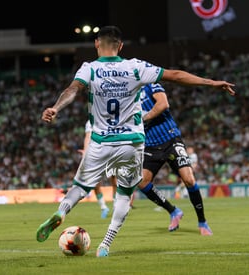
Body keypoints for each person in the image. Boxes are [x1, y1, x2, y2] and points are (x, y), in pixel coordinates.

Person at [36, 25, 235, 257]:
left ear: (96, 44)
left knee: (80, 187)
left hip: (101, 141)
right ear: (120, 46)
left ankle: (62, 212)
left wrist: (55, 107)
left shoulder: (89, 69)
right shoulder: (135, 67)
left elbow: (73, 89)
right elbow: (176, 75)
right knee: (124, 192)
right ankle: (106, 244)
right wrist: (212, 83)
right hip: (131, 143)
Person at [137, 83, 213, 235]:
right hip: (150, 145)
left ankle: (202, 222)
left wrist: (142, 118)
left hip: (171, 139)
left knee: (189, 180)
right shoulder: (126, 97)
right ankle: (173, 211)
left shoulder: (150, 84)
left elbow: (163, 104)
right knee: (142, 182)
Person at [78, 120, 117, 219]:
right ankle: (104, 207)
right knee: (95, 184)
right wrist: (85, 152)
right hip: (96, 154)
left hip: (111, 152)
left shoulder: (111, 118)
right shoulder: (90, 122)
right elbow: (88, 137)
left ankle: (116, 206)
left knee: (115, 181)